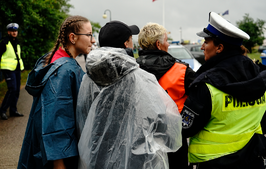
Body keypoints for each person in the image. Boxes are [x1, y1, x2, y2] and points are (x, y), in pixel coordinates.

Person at [76, 21, 183, 169]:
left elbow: (82, 117)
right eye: (131, 40)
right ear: (126, 44)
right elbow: (167, 123)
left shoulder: (88, 78)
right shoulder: (140, 78)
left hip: (96, 157)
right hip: (136, 160)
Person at [181, 12, 266, 169]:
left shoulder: (206, 85)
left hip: (215, 163)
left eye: (206, 42)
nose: (202, 47)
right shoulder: (261, 76)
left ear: (219, 48)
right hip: (253, 160)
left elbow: (186, 128)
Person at [17, 15, 95, 169]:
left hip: (43, 150)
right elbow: (56, 125)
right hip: (56, 159)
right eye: (89, 35)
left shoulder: (53, 59)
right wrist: (59, 164)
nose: (92, 40)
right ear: (72, 37)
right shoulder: (63, 71)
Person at [136, 23, 196, 169]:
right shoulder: (182, 71)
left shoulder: (132, 70)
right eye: (167, 40)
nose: (168, 44)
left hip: (140, 140)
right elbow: (199, 101)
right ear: (158, 44)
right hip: (174, 140)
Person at [0, 23, 24, 120]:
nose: (14, 33)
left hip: (16, 69)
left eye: (15, 31)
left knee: (16, 90)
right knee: (12, 89)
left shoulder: (18, 42)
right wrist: (2, 67)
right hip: (8, 69)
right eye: (12, 31)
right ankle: (2, 111)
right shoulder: (4, 42)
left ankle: (13, 110)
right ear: (8, 32)